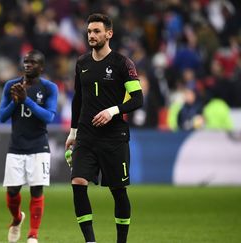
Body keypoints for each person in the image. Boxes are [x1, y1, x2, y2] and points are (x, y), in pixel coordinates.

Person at [65, 13, 143, 243]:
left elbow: (138, 99)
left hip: (114, 137)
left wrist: (113, 111)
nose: (92, 35)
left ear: (109, 34)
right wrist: (73, 132)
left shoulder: (123, 64)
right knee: (78, 182)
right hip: (86, 136)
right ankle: (90, 241)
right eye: (89, 31)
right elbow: (77, 100)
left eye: (97, 31)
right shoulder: (82, 63)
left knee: (118, 192)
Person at [0, 50, 58, 243]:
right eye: (25, 62)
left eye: (33, 62)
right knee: (12, 191)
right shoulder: (11, 86)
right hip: (16, 146)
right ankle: (17, 218)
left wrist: (26, 101)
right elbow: (1, 117)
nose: (28, 65)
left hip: (39, 146)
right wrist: (15, 103)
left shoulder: (49, 88)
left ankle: (33, 234)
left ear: (41, 67)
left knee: (36, 190)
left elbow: (49, 116)